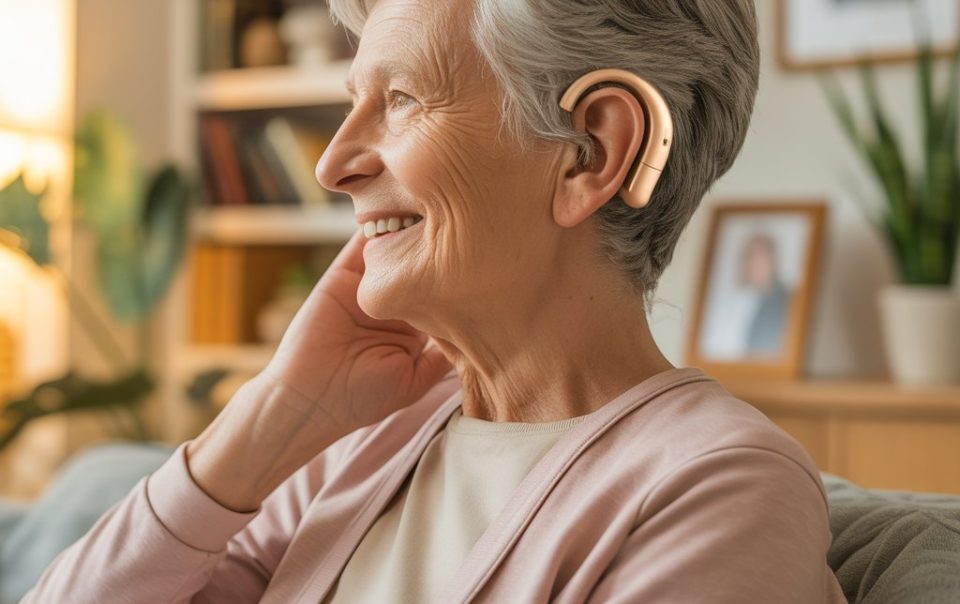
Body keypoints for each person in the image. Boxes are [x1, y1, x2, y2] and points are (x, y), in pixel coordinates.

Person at [26, 0, 847, 601]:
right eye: (354, 103)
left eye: (402, 99)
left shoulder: (718, 488)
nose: (333, 163)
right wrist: (278, 407)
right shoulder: (371, 447)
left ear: (591, 152)